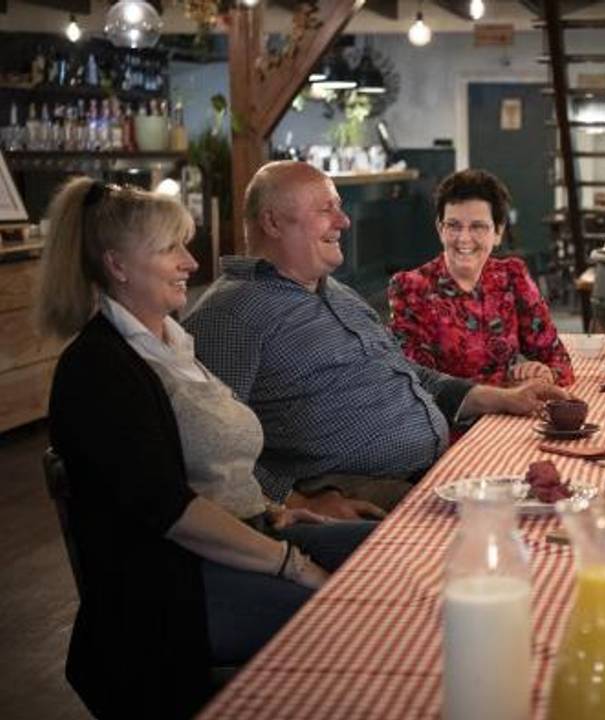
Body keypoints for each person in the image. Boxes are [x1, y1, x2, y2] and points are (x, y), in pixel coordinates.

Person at [36, 178, 375, 718]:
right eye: (171, 248)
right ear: (118, 265)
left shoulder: (170, 342)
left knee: (392, 558)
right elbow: (168, 509)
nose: (190, 263)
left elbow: (207, 468)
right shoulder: (99, 369)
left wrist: (276, 510)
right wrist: (289, 563)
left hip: (240, 539)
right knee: (353, 619)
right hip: (168, 592)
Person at [184, 161, 569, 520]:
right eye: (326, 210)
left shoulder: (338, 294)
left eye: (340, 207)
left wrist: (499, 397)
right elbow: (206, 447)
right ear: (272, 221)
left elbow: (411, 373)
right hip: (359, 491)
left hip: (432, 467)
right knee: (519, 531)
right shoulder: (232, 313)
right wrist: (294, 499)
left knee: (560, 492)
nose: (345, 220)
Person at [389, 169, 574, 387]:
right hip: (448, 419)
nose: (464, 238)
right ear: (440, 229)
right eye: (453, 225)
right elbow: (417, 381)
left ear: (498, 232)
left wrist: (544, 374)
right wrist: (510, 383)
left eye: (477, 226)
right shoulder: (410, 287)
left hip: (508, 416)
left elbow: (559, 361)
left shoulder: (513, 276)